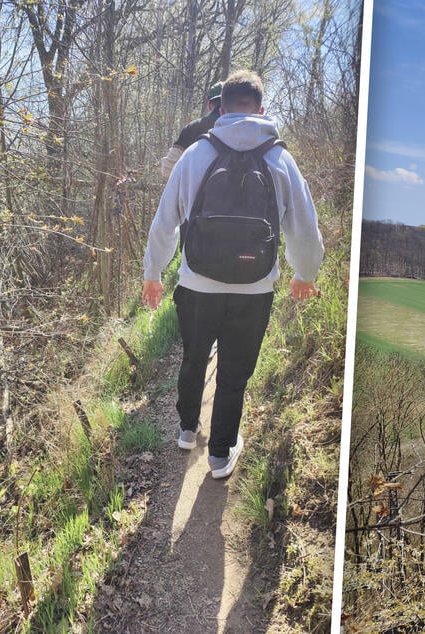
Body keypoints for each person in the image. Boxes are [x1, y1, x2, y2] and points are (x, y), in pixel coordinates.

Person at [142, 70, 324, 479]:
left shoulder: (194, 155)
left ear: (220, 109)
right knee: (234, 372)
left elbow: (164, 221)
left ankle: (188, 429)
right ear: (261, 110)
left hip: (196, 284)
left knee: (192, 358)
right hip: (254, 288)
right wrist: (304, 273)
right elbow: (305, 227)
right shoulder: (281, 159)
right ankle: (221, 455)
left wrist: (152, 272)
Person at [159, 81, 224, 180]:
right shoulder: (246, 129)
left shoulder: (193, 127)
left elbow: (167, 170)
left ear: (210, 105)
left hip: (196, 193)